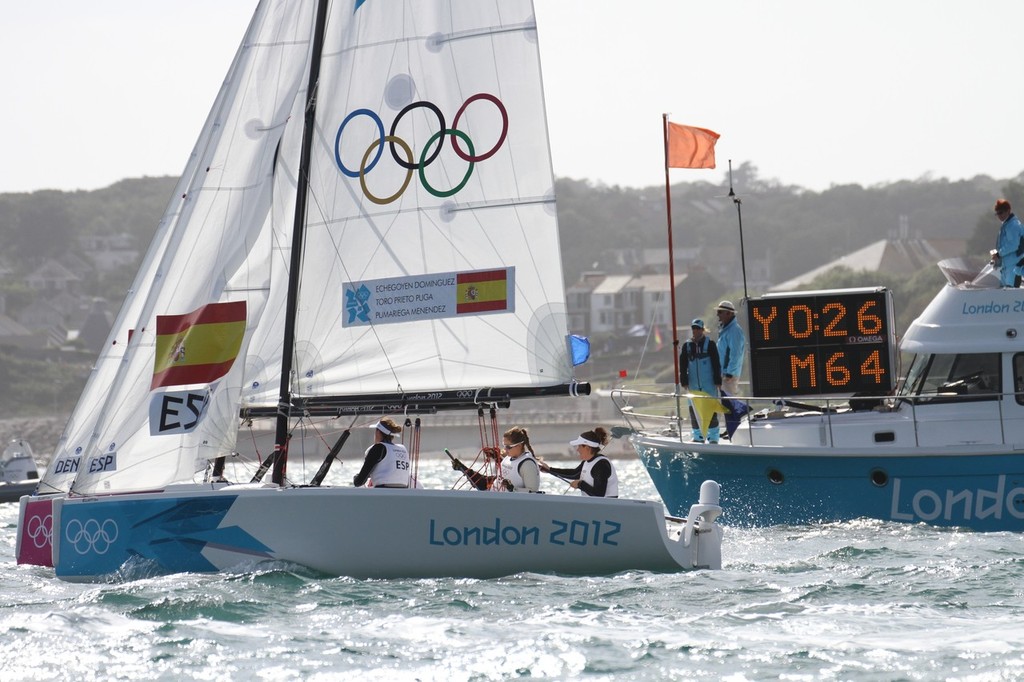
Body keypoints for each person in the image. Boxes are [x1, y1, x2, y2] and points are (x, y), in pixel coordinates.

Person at [450, 425, 541, 492]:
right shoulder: (507, 459)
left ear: (520, 445)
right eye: (504, 446)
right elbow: (491, 482)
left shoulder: (527, 464)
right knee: (480, 481)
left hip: (510, 507)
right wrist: (463, 469)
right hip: (494, 498)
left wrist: (512, 488)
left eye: (508, 447)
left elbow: (533, 492)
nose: (505, 449)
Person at [538, 427, 619, 497]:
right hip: (593, 506)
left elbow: (599, 494)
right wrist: (549, 470)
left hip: (605, 508)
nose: (577, 449)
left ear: (587, 447)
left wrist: (580, 484)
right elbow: (574, 474)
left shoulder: (601, 465)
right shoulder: (587, 462)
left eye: (579, 446)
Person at [680, 318, 722, 443]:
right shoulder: (686, 346)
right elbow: (683, 365)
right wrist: (684, 380)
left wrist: (717, 380)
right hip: (693, 385)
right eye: (693, 328)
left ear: (703, 330)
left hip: (708, 384)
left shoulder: (711, 344)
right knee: (693, 409)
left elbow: (716, 363)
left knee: (711, 409)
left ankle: (713, 436)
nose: (695, 330)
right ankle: (698, 436)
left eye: (698, 328)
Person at [352, 418, 411, 488]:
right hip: (403, 492)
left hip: (383, 491)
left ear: (378, 432)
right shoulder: (403, 449)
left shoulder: (378, 448)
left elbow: (359, 482)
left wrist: (356, 478)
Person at [715, 300, 746, 397]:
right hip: (723, 373)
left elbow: (735, 354)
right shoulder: (727, 330)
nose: (717, 314)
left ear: (728, 313)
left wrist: (729, 373)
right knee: (724, 405)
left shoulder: (734, 331)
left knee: (728, 405)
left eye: (720, 312)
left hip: (728, 376)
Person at [992, 199, 1024, 287]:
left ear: (1008, 211)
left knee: (1010, 293)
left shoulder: (1013, 225)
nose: (999, 216)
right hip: (1006, 266)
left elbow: (1013, 245)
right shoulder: (1007, 225)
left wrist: (999, 254)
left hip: (1014, 267)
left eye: (1001, 213)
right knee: (1003, 292)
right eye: (997, 213)